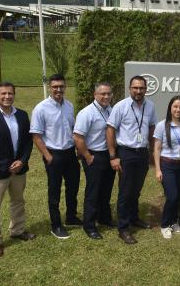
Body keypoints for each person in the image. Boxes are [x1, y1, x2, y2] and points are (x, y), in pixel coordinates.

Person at [0, 82, 36, 257]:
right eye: (3, 93)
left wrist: (22, 161)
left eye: (10, 93)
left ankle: (17, 230)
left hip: (19, 169)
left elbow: (27, 141)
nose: (7, 96)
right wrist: (6, 165)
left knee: (18, 201)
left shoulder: (23, 115)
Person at [106, 75, 157, 245]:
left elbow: (151, 127)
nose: (138, 91)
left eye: (141, 88)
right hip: (126, 152)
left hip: (142, 152)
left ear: (146, 89)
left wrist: (150, 151)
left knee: (136, 189)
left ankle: (134, 218)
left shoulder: (150, 106)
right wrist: (113, 156)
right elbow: (111, 129)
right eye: (135, 88)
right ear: (130, 89)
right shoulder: (121, 106)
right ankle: (123, 228)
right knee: (126, 191)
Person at [31, 74, 80, 240]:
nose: (58, 89)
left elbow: (73, 129)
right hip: (54, 154)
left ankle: (71, 216)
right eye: (55, 87)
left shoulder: (69, 105)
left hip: (70, 153)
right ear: (50, 88)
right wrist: (48, 156)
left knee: (73, 187)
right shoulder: (41, 109)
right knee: (55, 191)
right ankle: (56, 225)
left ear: (65, 87)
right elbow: (36, 135)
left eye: (61, 86)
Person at [73, 82, 116, 240]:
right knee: (93, 191)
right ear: (95, 95)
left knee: (106, 189)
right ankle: (89, 225)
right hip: (93, 156)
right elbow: (78, 137)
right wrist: (88, 156)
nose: (106, 96)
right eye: (102, 94)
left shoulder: (110, 110)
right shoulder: (86, 113)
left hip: (108, 154)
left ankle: (104, 217)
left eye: (108, 93)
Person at [153, 96, 180, 239]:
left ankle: (174, 221)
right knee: (172, 196)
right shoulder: (161, 125)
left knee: (177, 195)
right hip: (167, 164)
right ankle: (165, 225)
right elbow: (157, 149)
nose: (178, 109)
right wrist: (158, 169)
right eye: (175, 107)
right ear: (170, 108)